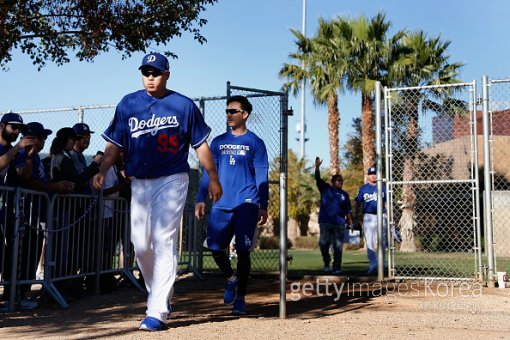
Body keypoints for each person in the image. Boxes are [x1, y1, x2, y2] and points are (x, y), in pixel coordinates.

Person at [92, 52, 222, 332]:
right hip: (139, 181)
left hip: (172, 178)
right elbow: (114, 144)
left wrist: (213, 177)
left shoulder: (183, 105)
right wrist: (103, 170)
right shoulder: (128, 103)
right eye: (146, 72)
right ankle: (159, 294)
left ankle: (157, 309)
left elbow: (201, 145)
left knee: (164, 238)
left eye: (156, 72)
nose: (151, 77)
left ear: (167, 74)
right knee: (140, 243)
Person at [195, 95, 269, 316]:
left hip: (247, 203)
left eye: (233, 111)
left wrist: (262, 204)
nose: (228, 114)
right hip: (220, 204)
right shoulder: (217, 142)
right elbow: (209, 172)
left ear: (244, 114)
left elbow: (262, 175)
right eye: (227, 111)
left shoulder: (255, 142)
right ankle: (230, 278)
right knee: (215, 248)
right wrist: (200, 197)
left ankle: (241, 299)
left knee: (244, 253)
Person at [0, 113, 38, 310]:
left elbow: (23, 177)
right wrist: (17, 148)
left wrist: (29, 157)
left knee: (10, 255)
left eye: (19, 129)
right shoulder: (9, 149)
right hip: (3, 206)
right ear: (3, 125)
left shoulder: (12, 150)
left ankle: (10, 296)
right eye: (13, 127)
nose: (16, 132)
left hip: (9, 210)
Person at [314, 157, 353, 275]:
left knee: (338, 247)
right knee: (323, 244)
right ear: (332, 182)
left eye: (341, 181)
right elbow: (317, 178)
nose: (340, 182)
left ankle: (337, 267)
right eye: (338, 180)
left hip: (339, 224)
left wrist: (351, 223)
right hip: (325, 222)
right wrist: (317, 167)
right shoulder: (325, 188)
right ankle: (327, 263)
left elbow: (348, 210)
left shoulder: (344, 195)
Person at [354, 166, 387, 275]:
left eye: (375, 173)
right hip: (368, 217)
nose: (373, 175)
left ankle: (382, 264)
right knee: (370, 242)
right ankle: (373, 265)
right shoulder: (364, 188)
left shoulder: (383, 188)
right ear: (368, 176)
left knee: (382, 242)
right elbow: (357, 203)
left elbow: (387, 203)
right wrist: (356, 217)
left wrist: (390, 216)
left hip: (381, 216)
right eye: (371, 174)